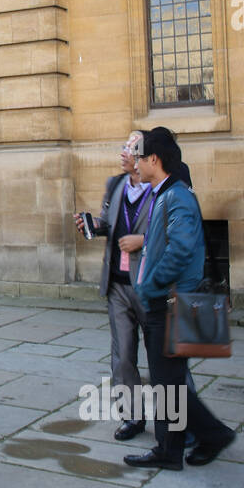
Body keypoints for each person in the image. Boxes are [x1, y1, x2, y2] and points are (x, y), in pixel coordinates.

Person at [126, 127, 236, 470]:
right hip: (165, 301)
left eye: (139, 158)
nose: (135, 164)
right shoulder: (165, 193)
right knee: (168, 383)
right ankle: (170, 450)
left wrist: (149, 285)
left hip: (170, 302)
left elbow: (181, 250)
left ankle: (214, 434)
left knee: (170, 383)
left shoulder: (177, 196)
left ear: (154, 160)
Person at [76, 131, 152, 441]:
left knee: (165, 358)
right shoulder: (116, 184)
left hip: (151, 286)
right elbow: (108, 222)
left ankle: (180, 422)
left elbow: (177, 233)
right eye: (123, 147)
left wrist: (143, 241)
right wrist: (92, 226)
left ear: (147, 157)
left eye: (131, 149)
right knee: (122, 357)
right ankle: (132, 417)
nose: (123, 153)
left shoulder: (164, 189)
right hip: (118, 285)